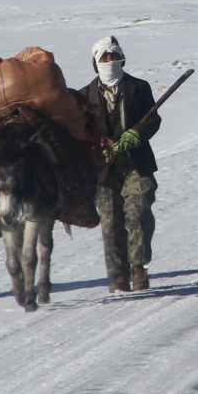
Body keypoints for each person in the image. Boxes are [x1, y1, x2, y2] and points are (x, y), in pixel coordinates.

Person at [79, 35, 159, 292]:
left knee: (138, 214)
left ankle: (138, 267)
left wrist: (136, 134)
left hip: (137, 164)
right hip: (103, 170)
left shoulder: (139, 87)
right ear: (95, 62)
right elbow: (78, 131)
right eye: (104, 57)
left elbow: (152, 119)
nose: (110, 60)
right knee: (111, 221)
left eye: (114, 55)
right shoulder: (84, 97)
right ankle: (118, 275)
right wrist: (95, 148)